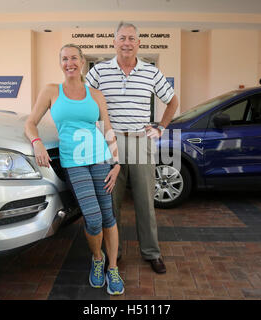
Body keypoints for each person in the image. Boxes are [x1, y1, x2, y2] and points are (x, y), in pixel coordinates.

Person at [25, 43, 124, 295]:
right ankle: (97, 259)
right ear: (61, 63)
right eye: (64, 59)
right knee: (93, 219)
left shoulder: (95, 94)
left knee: (108, 216)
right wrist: (37, 143)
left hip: (101, 158)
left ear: (82, 62)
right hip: (74, 162)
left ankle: (112, 267)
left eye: (74, 58)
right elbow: (30, 123)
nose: (69, 63)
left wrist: (117, 162)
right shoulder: (51, 91)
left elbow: (107, 129)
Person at [86, 22, 179, 274]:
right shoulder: (99, 71)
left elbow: (172, 101)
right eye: (122, 38)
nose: (127, 42)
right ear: (113, 42)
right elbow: (82, 98)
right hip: (109, 143)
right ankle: (112, 254)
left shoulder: (151, 72)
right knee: (111, 202)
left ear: (139, 43)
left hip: (140, 142)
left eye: (131, 38)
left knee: (145, 203)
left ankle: (151, 252)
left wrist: (160, 127)